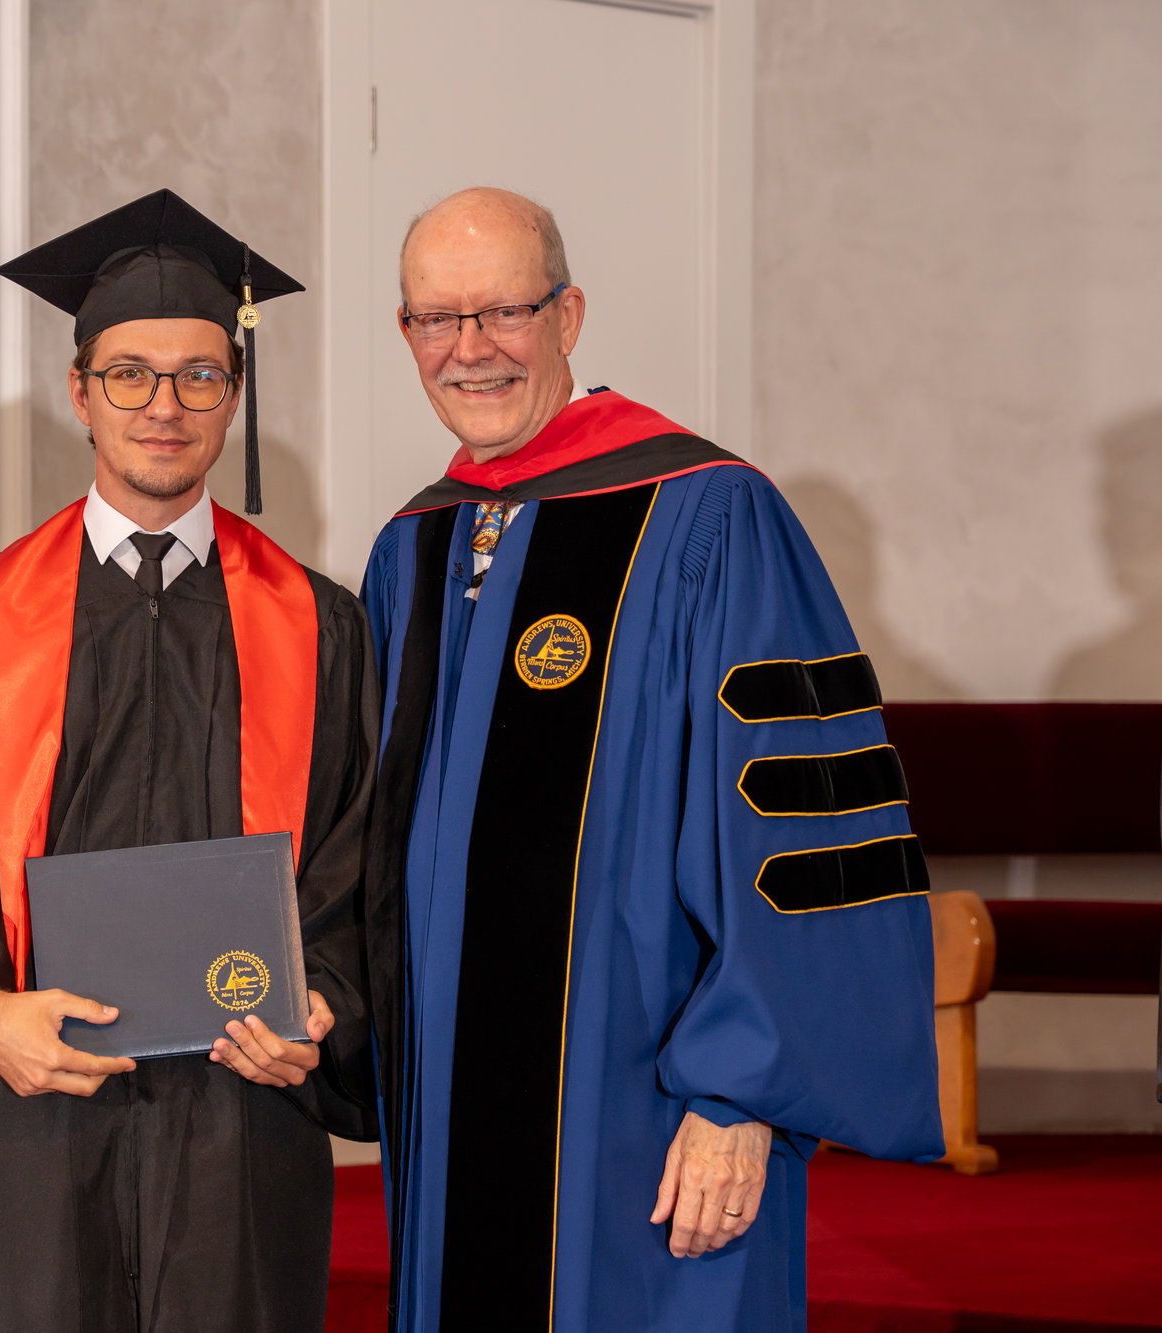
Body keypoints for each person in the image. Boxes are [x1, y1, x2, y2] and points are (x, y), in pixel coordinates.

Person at [361, 187, 943, 1332]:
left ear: (567, 315)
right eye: (436, 318)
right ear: (406, 331)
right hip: (452, 1101)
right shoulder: (413, 544)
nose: (469, 348)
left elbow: (801, 826)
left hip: (649, 1101)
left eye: (503, 311)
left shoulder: (707, 516)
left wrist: (739, 1094)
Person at [0, 190, 377, 1333]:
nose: (164, 405)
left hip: (240, 1109)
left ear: (233, 394)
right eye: (129, 375)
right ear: (79, 393)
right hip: (35, 1105)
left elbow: (354, 861)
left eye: (198, 375)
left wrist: (321, 1005)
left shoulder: (318, 623)